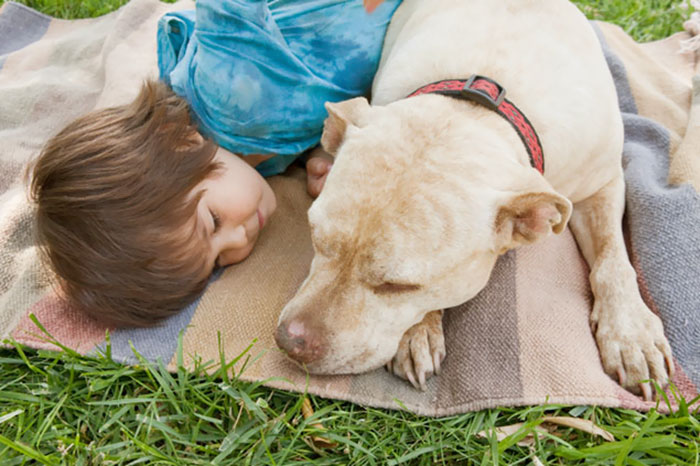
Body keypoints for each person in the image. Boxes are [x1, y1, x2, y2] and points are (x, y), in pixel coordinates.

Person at [30, 0, 399, 327]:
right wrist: (323, 147)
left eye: (213, 222)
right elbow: (297, 109)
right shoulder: (249, 165)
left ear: (180, 141)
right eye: (219, 260)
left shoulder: (227, 91)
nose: (239, 239)